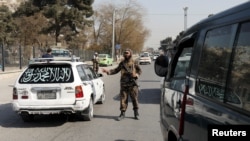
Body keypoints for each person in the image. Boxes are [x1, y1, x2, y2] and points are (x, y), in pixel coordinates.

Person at [102, 48, 142, 121]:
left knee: (134, 99)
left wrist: (136, 75)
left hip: (132, 84)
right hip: (124, 84)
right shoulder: (122, 63)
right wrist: (108, 71)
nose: (126, 54)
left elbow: (140, 71)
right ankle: (122, 113)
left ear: (130, 54)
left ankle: (136, 113)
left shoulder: (134, 62)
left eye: (127, 53)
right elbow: (116, 70)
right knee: (123, 99)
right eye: (125, 53)